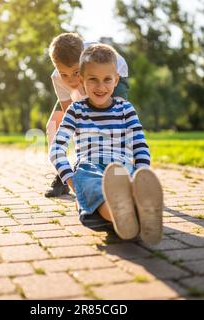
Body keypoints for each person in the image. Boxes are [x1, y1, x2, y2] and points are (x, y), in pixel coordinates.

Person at [49, 43, 163, 245]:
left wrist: (140, 172)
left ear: (116, 80)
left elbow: (139, 143)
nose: (100, 87)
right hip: (89, 166)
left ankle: (133, 210)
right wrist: (70, 180)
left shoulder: (125, 109)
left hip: (120, 167)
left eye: (107, 80)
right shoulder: (76, 111)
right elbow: (57, 148)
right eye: (93, 80)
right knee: (93, 186)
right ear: (82, 81)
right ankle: (129, 216)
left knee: (115, 181)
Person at [45, 33, 130, 198]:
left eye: (75, 72)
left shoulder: (96, 62)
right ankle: (63, 175)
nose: (70, 80)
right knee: (53, 126)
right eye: (64, 74)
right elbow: (72, 120)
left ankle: (117, 173)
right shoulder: (58, 78)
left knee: (109, 123)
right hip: (85, 81)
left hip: (108, 75)